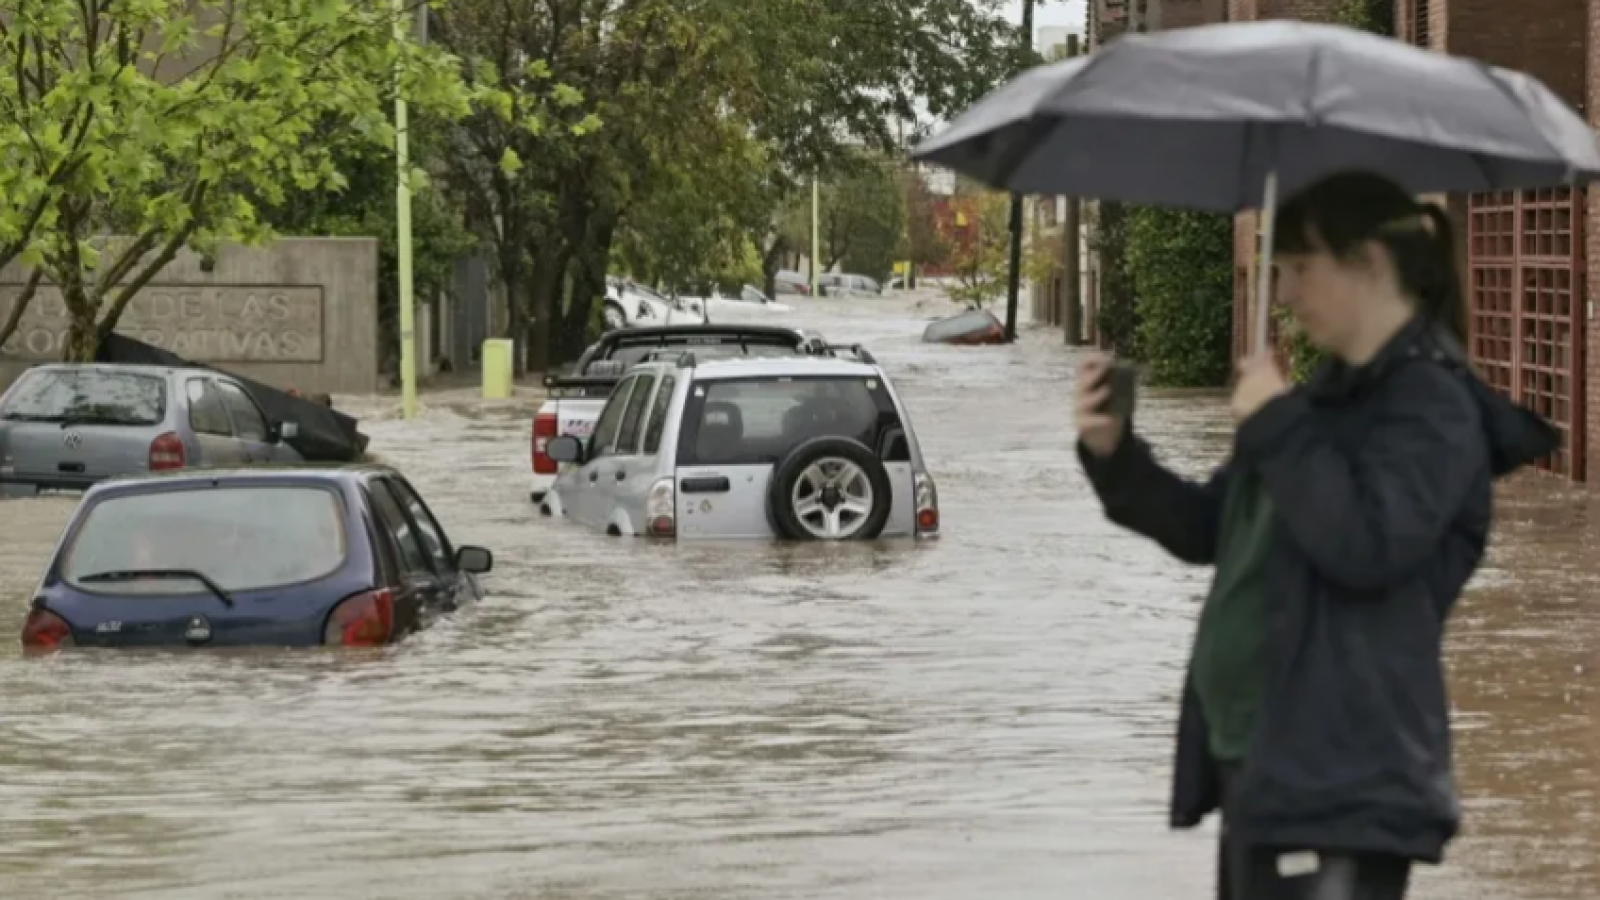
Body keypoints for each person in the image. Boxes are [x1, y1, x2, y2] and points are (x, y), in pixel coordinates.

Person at [1073, 170, 1559, 900]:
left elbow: (1369, 546)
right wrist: (1115, 455)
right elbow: (1211, 529)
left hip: (1345, 778)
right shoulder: (1318, 402)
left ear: (1368, 261)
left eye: (1300, 268)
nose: (1288, 293)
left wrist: (1274, 422)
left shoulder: (1433, 408)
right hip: (1266, 764)